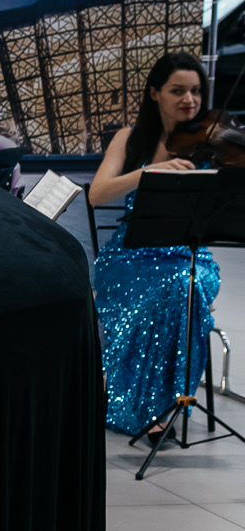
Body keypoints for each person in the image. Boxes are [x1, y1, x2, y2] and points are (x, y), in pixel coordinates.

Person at [88, 50, 219, 437]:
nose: (189, 100)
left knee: (185, 284)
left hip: (189, 254)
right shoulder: (129, 139)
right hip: (131, 256)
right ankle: (146, 405)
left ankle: (165, 405)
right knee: (174, 289)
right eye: (178, 90)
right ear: (154, 93)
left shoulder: (211, 142)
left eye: (196, 91)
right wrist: (149, 171)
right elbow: (97, 194)